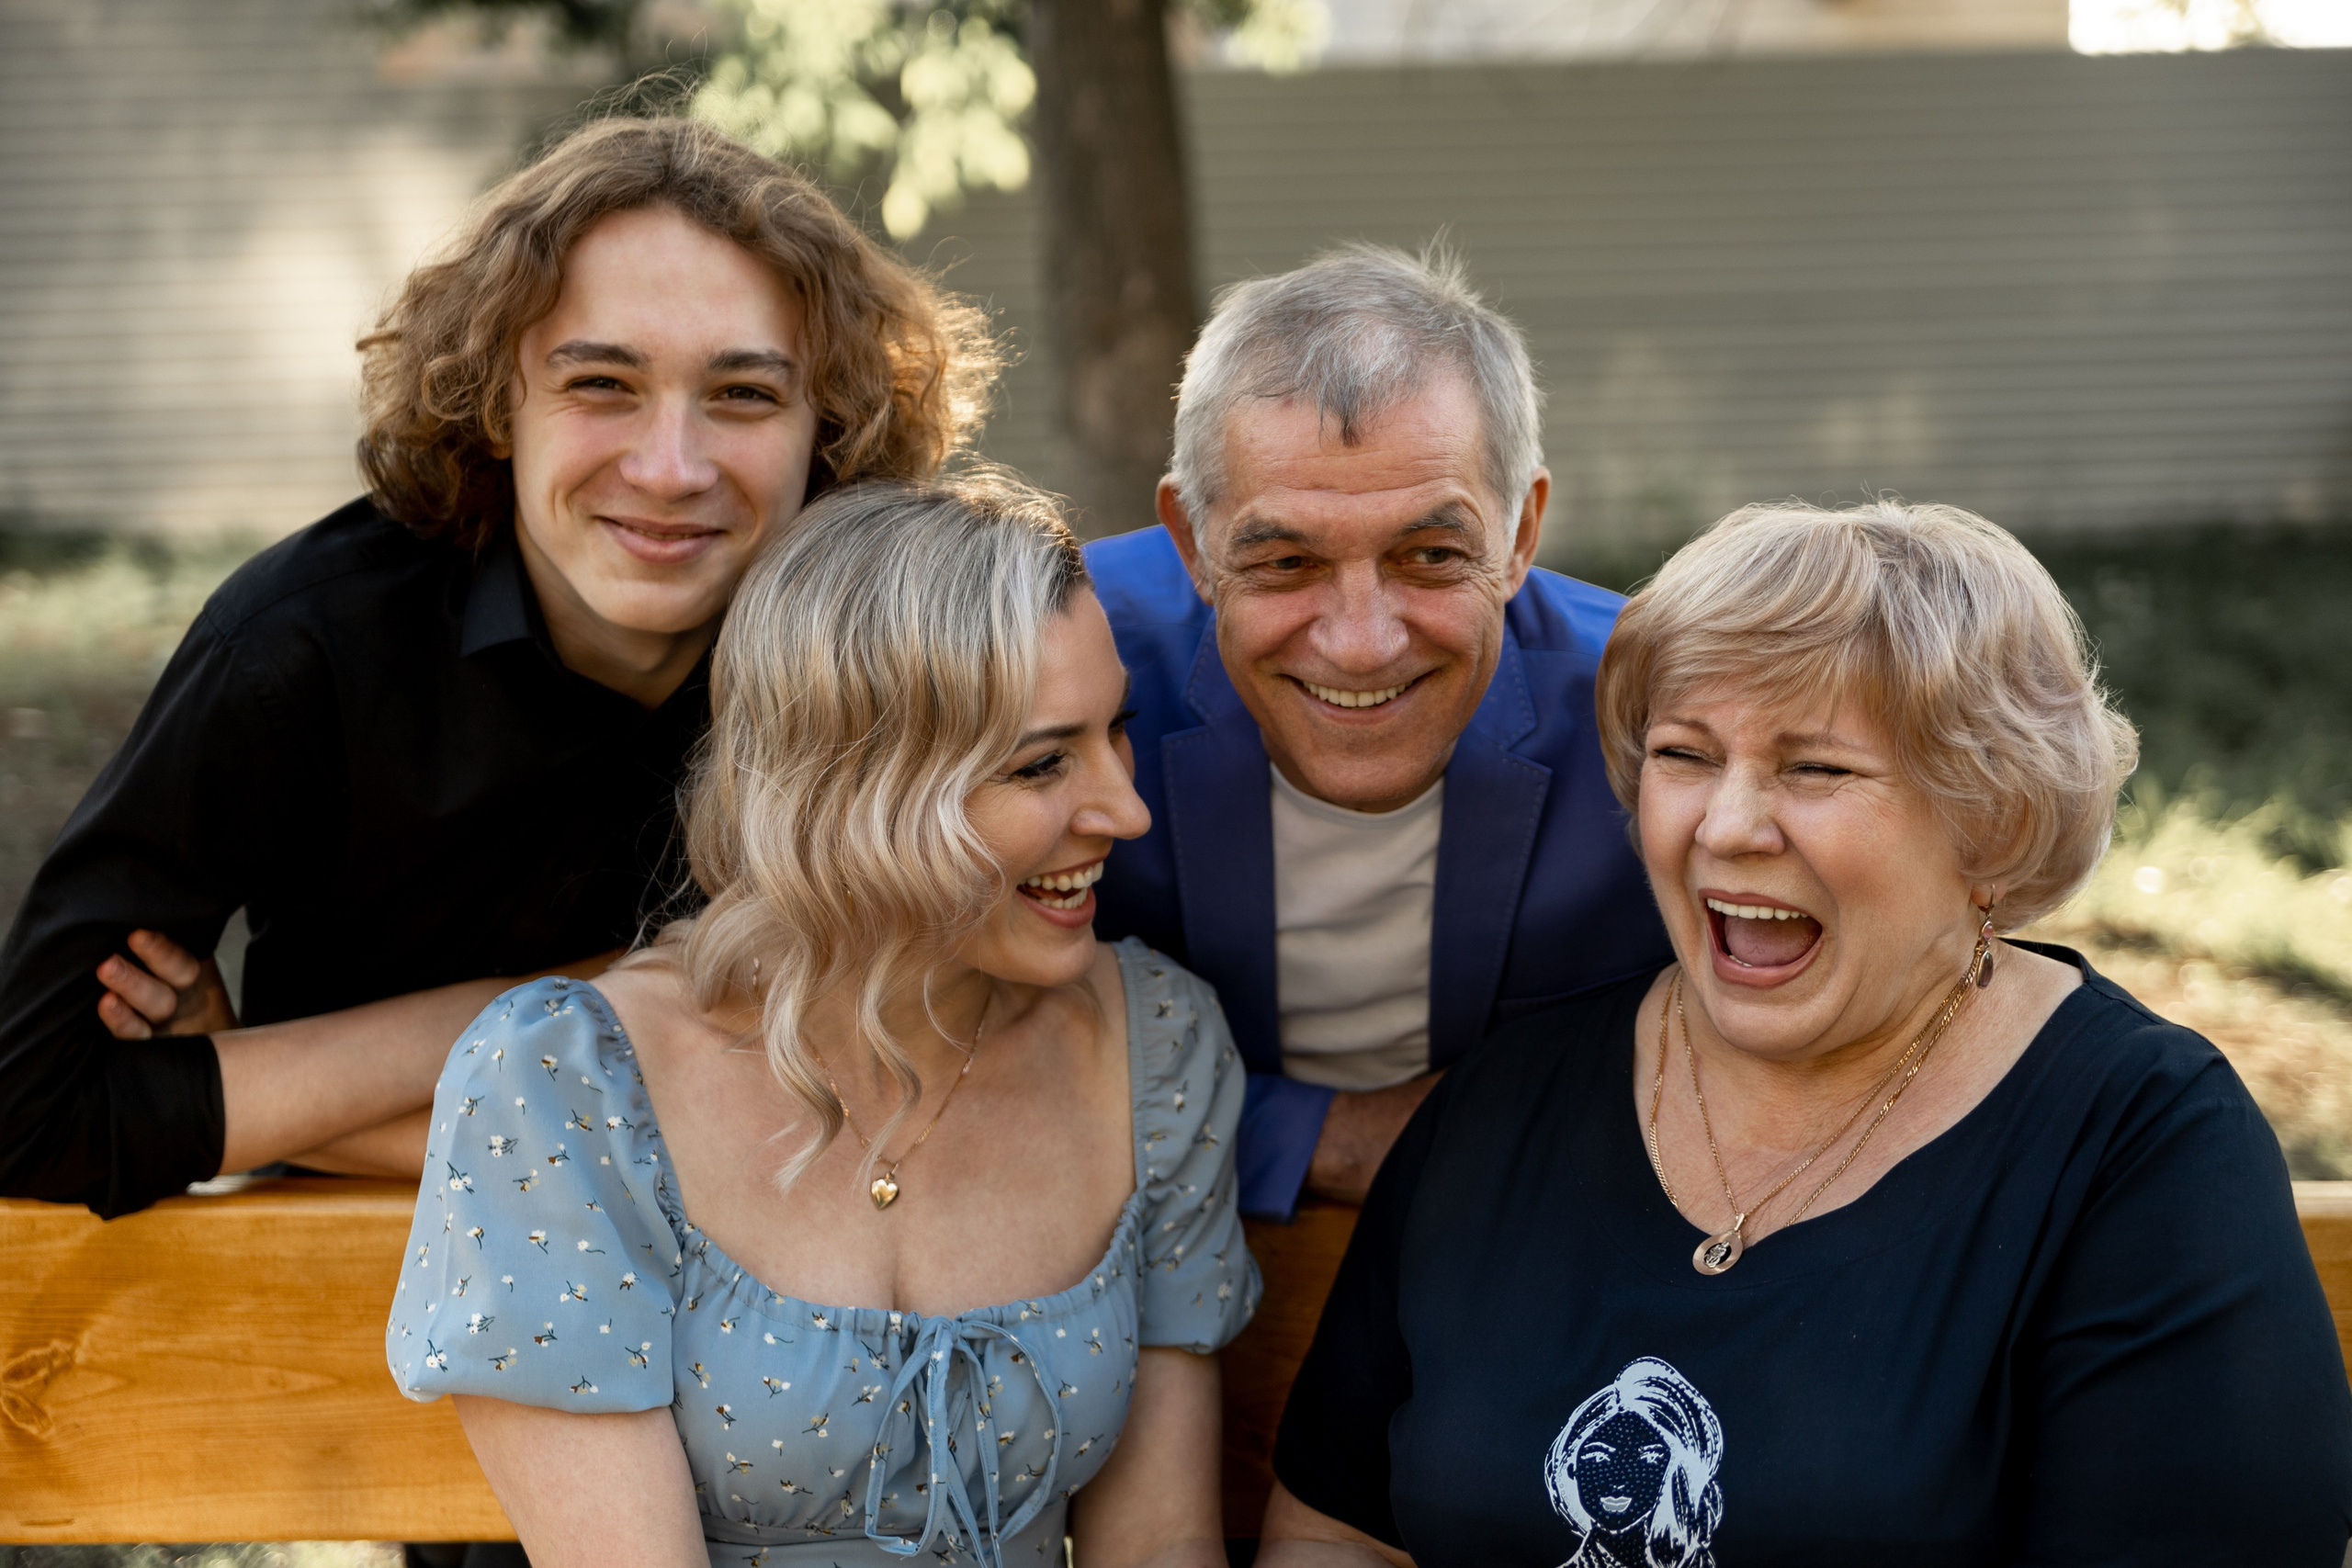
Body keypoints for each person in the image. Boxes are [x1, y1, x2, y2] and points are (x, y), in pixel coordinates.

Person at [1262, 499, 2352, 1565]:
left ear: (1991, 820)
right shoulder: (1505, 1104)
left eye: (1813, 768)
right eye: (1685, 756)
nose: (1726, 828)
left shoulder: (2138, 1148)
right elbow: (1335, 1526)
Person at [0, 117, 994, 1216]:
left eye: (744, 395)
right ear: (495, 402)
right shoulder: (299, 652)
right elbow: (31, 1114)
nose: (669, 469)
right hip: (327, 1305)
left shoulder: (888, 664)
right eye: (602, 384)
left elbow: (886, 1112)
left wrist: (281, 1086)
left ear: (830, 429)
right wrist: (657, 999)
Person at [386, 474, 1259, 1568]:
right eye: (1042, 763)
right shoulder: (571, 1081)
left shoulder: (1152, 1044)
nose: (1124, 810)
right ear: (855, 789)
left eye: (1112, 733)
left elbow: (1163, 1545)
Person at [1086, 244, 1671, 1220]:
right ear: (1190, 541)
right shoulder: (1041, 687)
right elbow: (942, 1031)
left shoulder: (1661, 720)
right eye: (1284, 564)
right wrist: (1320, 1135)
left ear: (1521, 534)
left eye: (1432, 555)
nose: (1361, 645)